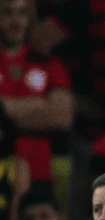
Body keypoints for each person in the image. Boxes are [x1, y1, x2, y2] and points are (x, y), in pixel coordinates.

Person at [0, 0, 72, 188]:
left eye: (22, 13)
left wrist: (4, 111)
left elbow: (61, 117)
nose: (15, 20)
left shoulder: (50, 63)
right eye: (7, 13)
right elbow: (50, 112)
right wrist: (38, 104)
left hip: (38, 173)